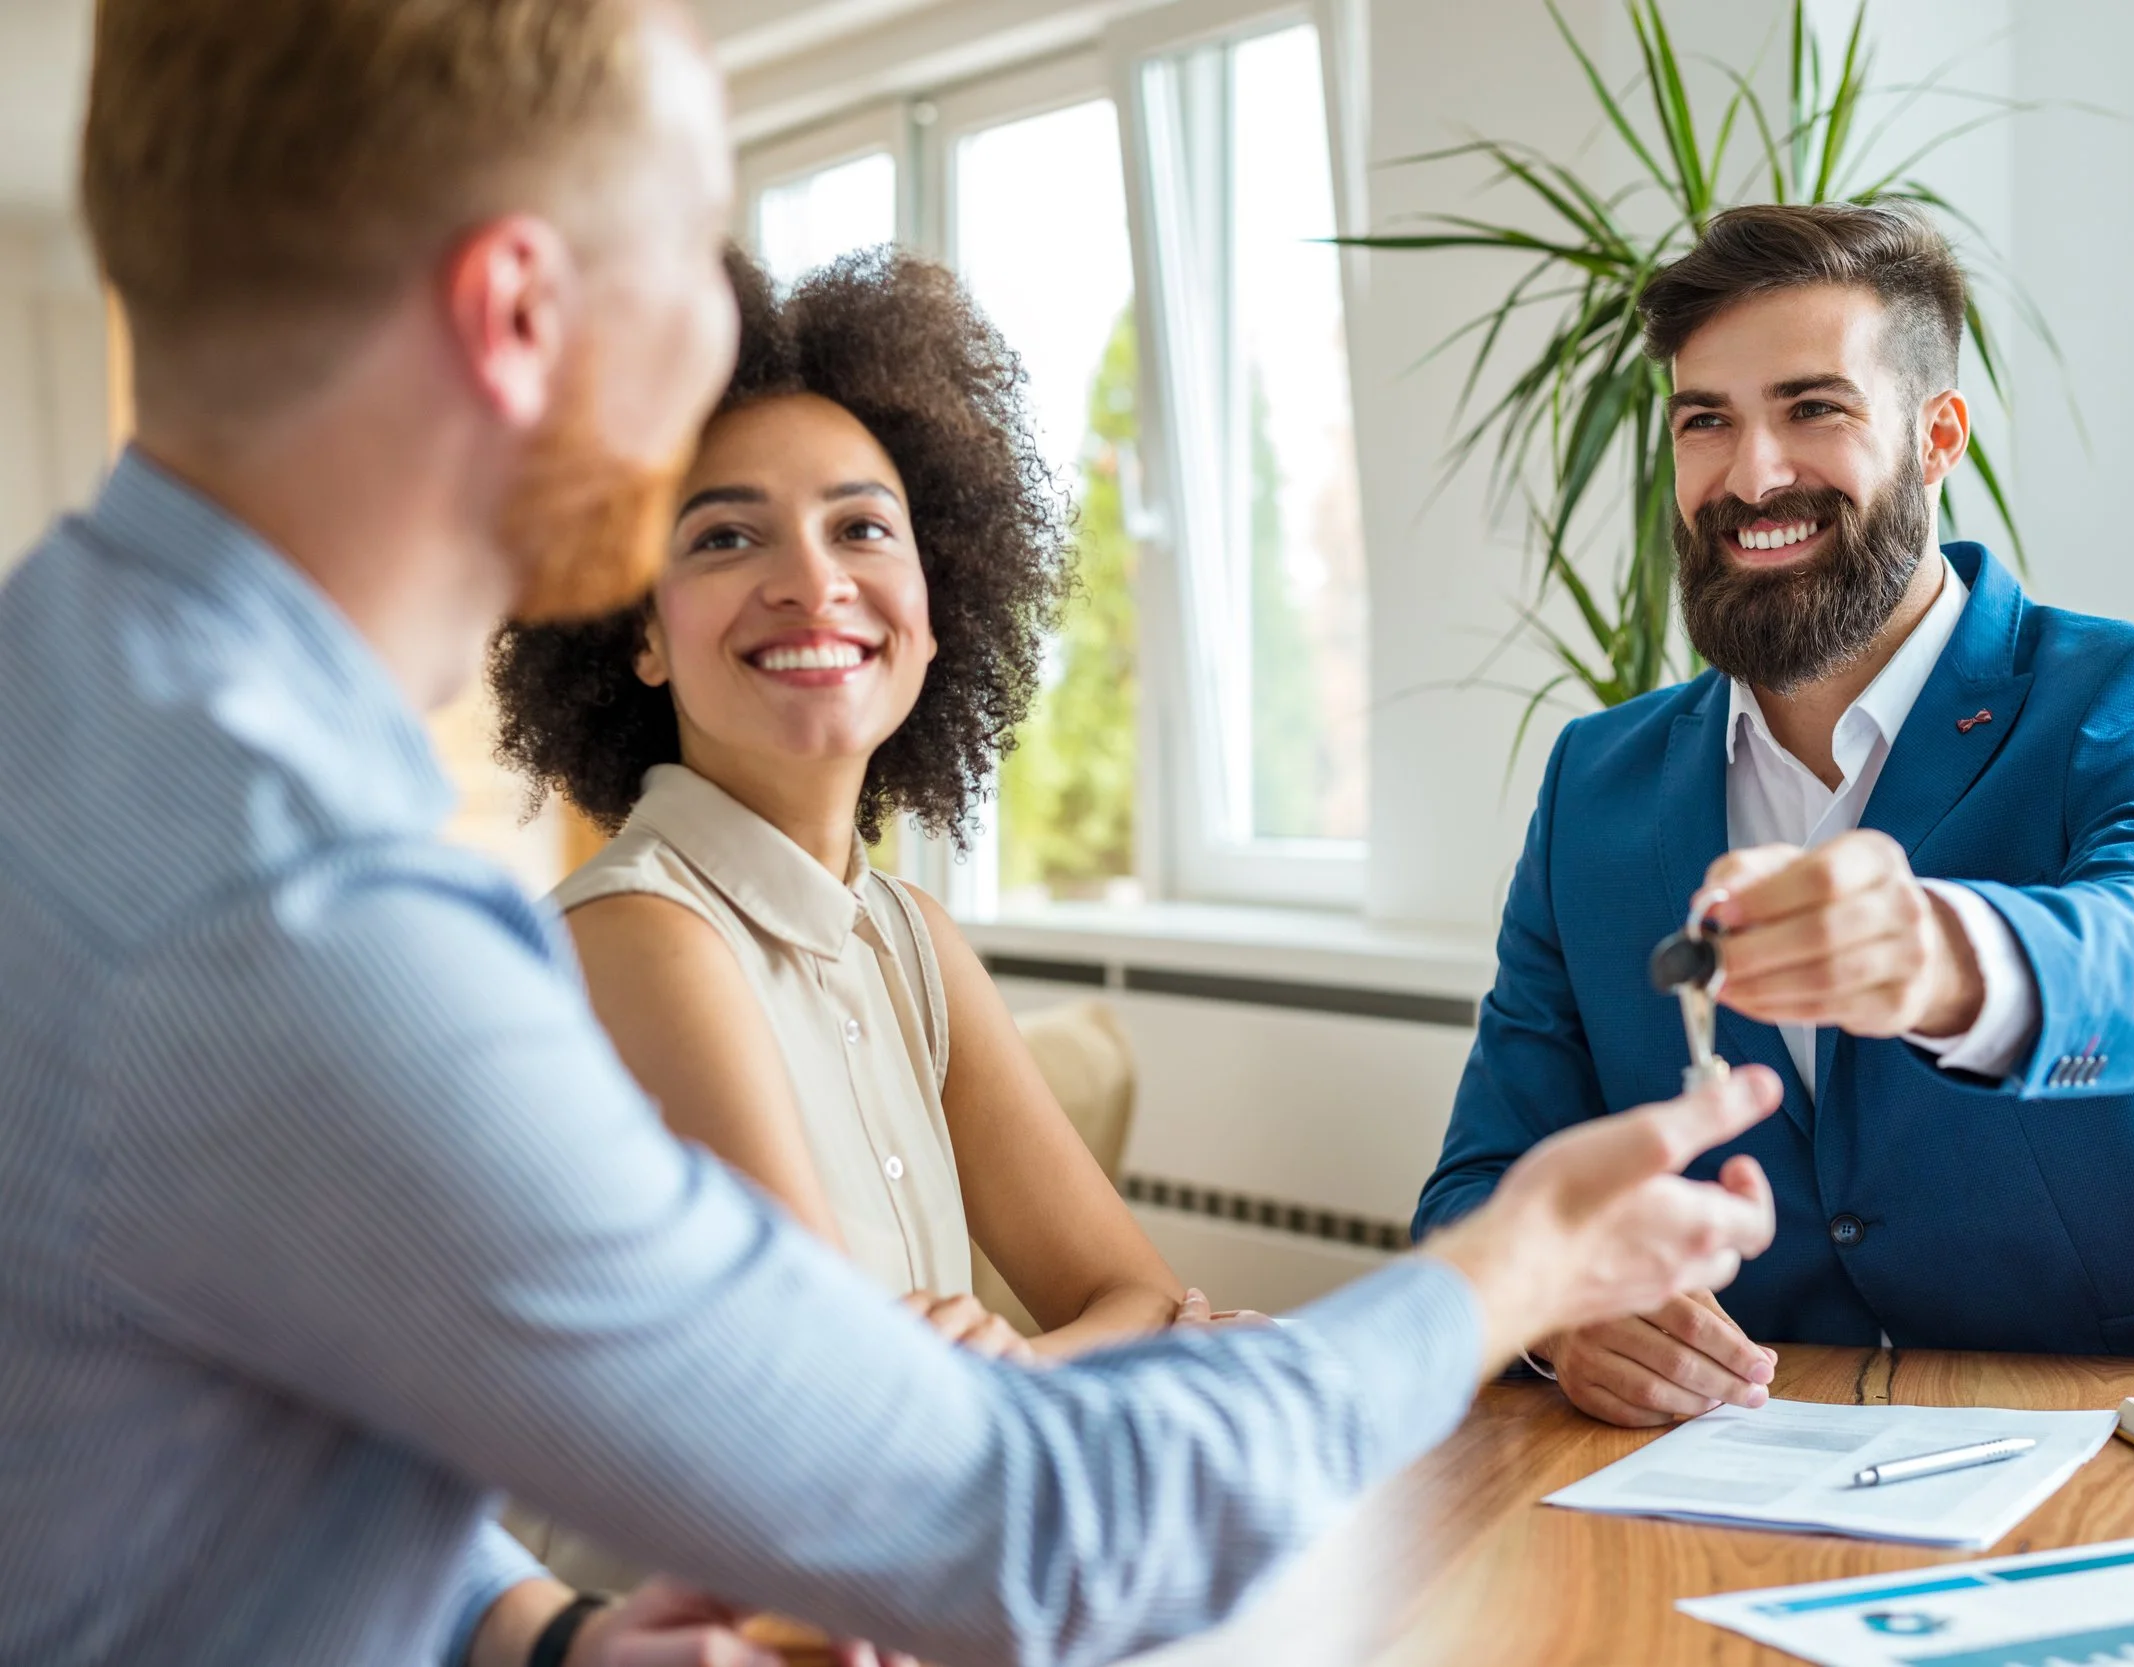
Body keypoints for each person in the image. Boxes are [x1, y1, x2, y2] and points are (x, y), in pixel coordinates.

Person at [0, 3, 1783, 1665]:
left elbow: (222, 1428)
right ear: (519, 314)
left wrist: (541, 1635)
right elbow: (1010, 1525)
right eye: (693, 260)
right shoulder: (298, 913)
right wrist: (1505, 1269)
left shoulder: (89, 739)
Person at [1414, 201, 2134, 1432]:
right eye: (1709, 421)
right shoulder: (1595, 780)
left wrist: (1941, 955)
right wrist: (1556, 1314)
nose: (1752, 476)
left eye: (1814, 409)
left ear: (1936, 435)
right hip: (1741, 1463)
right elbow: (1480, 1190)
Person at [488, 246, 1182, 1370]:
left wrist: (1009, 1367)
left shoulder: (909, 939)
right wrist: (1029, 1365)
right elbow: (844, 1396)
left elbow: (1139, 1291)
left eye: (860, 528)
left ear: (934, 598)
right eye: (724, 536)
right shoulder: (637, 936)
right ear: (640, 629)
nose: (813, 583)